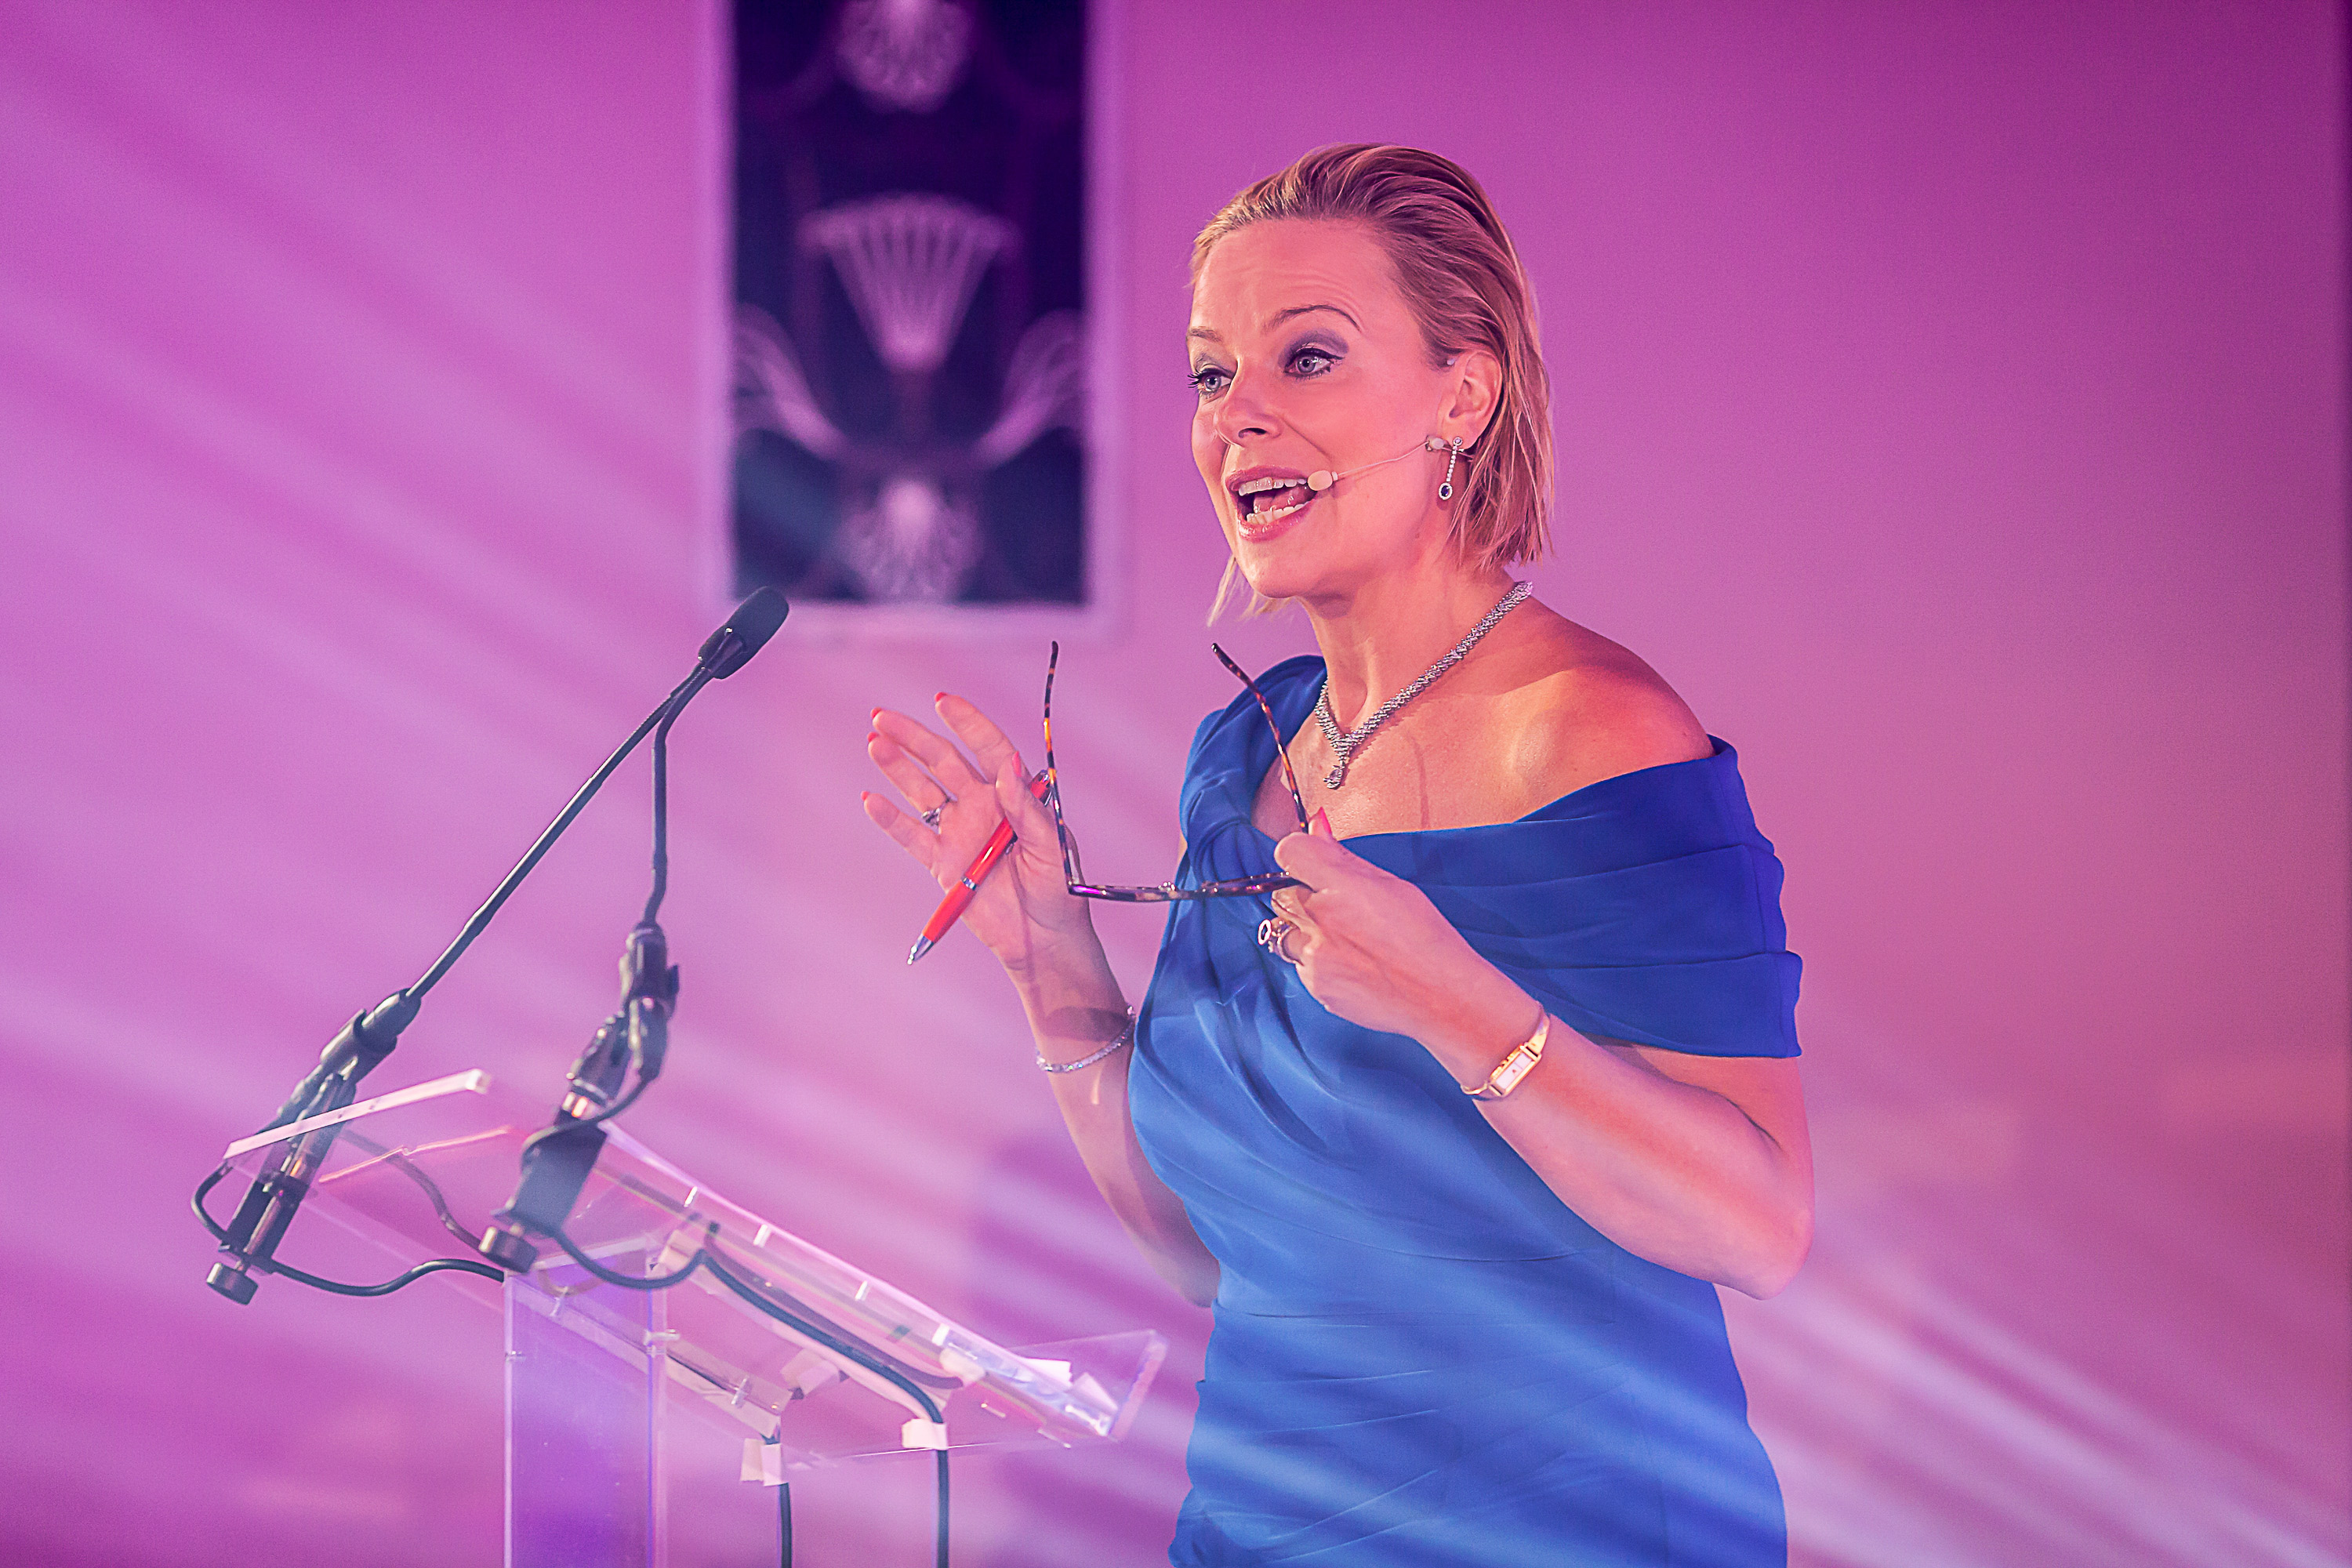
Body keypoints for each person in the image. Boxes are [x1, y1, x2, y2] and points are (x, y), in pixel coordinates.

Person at [863, 143, 1811, 1567]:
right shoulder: (1241, 758)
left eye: (1305, 358)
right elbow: (1201, 1249)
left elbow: (1758, 1226)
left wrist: (1455, 1002)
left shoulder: (1592, 733)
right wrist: (1044, 951)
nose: (1236, 415)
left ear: (1463, 396)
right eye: (1211, 374)